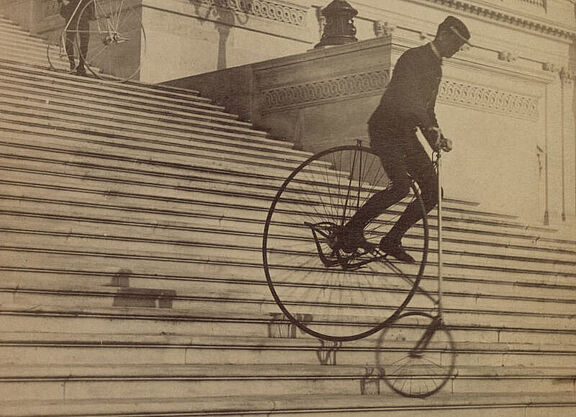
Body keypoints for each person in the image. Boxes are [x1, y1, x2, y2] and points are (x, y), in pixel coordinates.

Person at [342, 16, 472, 263]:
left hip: (406, 134)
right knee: (401, 187)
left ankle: (392, 239)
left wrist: (437, 136)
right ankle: (352, 229)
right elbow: (409, 101)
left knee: (433, 192)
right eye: (456, 43)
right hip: (386, 130)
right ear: (443, 34)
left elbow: (427, 108)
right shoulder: (413, 58)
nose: (457, 49)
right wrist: (429, 128)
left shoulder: (436, 68)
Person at [58, 0, 94, 76]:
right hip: (71, 9)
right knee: (70, 37)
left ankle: (81, 66)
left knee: (85, 39)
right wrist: (64, 1)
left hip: (84, 9)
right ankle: (72, 65)